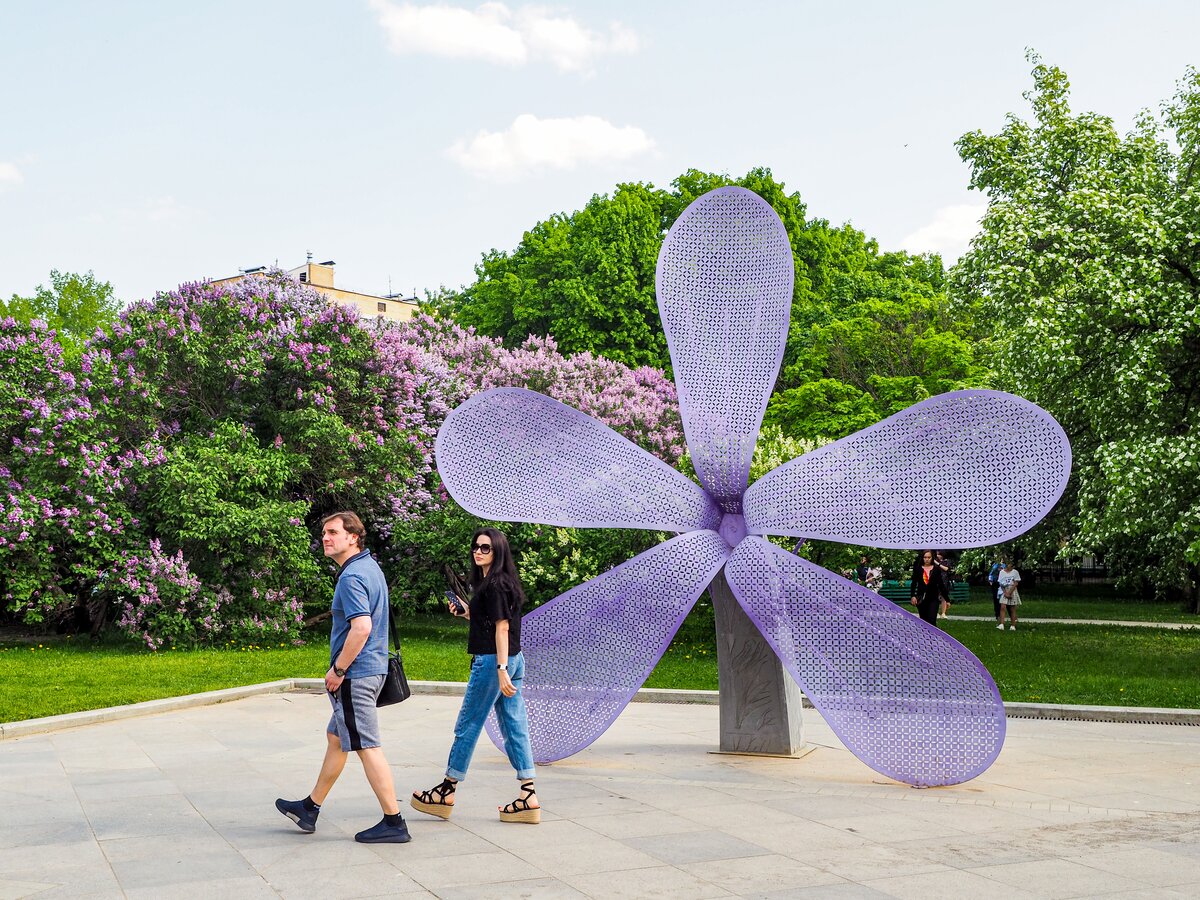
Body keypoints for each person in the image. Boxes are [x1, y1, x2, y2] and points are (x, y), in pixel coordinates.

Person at [275, 512, 411, 843]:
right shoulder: (369, 567)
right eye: (324, 532)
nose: (326, 537)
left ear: (353, 537)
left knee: (367, 746)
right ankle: (310, 808)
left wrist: (338, 670)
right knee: (337, 738)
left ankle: (394, 823)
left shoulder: (351, 578)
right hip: (372, 669)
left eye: (333, 532)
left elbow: (361, 627)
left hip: (356, 674)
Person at [411, 528, 540, 824]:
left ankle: (446, 790)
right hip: (514, 659)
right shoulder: (501, 582)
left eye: (485, 548)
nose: (478, 552)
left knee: (468, 724)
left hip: (496, 662)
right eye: (476, 547)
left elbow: (502, 628)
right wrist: (467, 612)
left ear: (498, 551)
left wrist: (501, 670)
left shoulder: (493, 585)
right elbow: (490, 620)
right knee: (514, 726)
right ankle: (528, 795)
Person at [910, 549, 949, 627]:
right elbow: (914, 583)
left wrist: (947, 599)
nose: (927, 559)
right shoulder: (918, 569)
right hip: (921, 598)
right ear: (922, 558)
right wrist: (913, 596)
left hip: (933, 598)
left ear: (932, 558)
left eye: (929, 557)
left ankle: (933, 638)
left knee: (932, 620)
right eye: (925, 557)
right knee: (924, 621)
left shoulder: (936, 569)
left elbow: (941, 584)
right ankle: (924, 638)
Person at [998, 558, 1022, 631]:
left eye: (1009, 564)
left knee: (1012, 608)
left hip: (1012, 590)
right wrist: (1005, 592)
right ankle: (1001, 624)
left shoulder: (1015, 572)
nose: (1007, 565)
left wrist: (1010, 592)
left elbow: (1015, 583)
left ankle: (1013, 625)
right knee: (1003, 606)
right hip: (1004, 590)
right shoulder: (1002, 572)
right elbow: (1001, 583)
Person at [935, 551, 954, 619]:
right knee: (936, 597)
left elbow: (946, 569)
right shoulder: (934, 560)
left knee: (944, 597)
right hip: (936, 580)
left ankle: (943, 613)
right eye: (937, 554)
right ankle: (936, 613)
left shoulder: (947, 561)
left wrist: (938, 564)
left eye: (938, 554)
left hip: (944, 580)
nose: (937, 555)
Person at [988, 556, 1003, 623]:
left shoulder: (1005, 565)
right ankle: (997, 614)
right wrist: (991, 581)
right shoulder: (995, 565)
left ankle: (1003, 614)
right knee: (996, 599)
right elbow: (991, 574)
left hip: (1003, 583)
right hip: (995, 583)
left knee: (1002, 599)